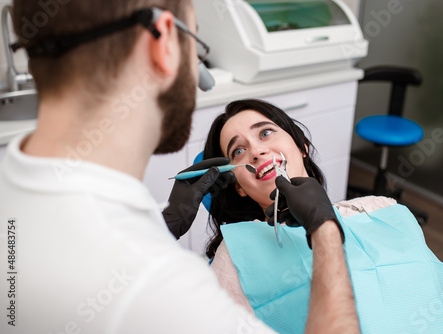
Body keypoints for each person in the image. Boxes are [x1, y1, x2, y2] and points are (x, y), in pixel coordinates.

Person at [0, 1, 360, 333]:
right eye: (195, 42)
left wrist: (162, 224)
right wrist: (326, 233)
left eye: (267, 132)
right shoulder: (165, 290)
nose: (258, 152)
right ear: (166, 44)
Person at [202, 99, 443, 334]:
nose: (257, 151)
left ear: (301, 146)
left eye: (265, 133)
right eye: (238, 150)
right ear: (238, 185)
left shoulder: (382, 208)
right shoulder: (235, 255)